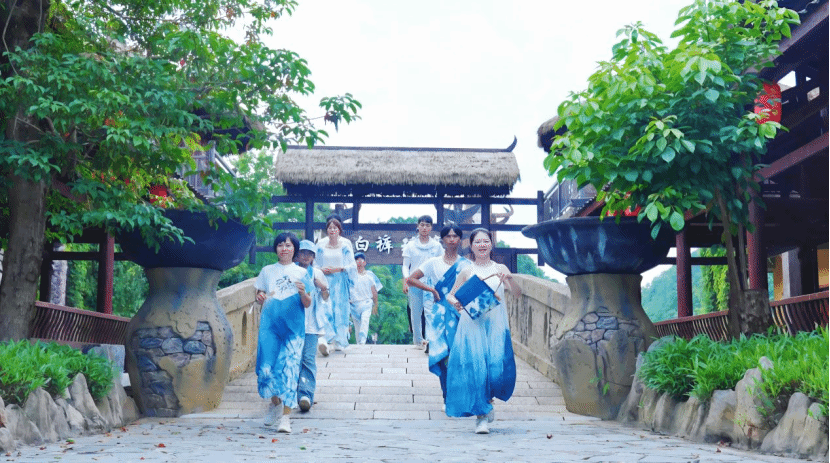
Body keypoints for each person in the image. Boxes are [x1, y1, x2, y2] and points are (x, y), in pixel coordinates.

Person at [446, 228, 521, 434]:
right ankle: (482, 416)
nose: (482, 245)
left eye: (485, 241)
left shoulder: (500, 268)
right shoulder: (466, 270)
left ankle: (489, 402)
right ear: (471, 246)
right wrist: (455, 303)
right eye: (477, 242)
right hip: (472, 325)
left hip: (496, 326)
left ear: (491, 244)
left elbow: (517, 293)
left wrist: (510, 278)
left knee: (496, 369)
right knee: (478, 370)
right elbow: (451, 295)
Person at [254, 232, 313, 433]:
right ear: (276, 248)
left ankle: (286, 418)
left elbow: (308, 303)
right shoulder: (267, 271)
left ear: (294, 249)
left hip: (293, 330)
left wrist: (303, 292)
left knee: (290, 369)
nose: (284, 248)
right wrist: (260, 296)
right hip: (269, 327)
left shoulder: (302, 273)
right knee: (266, 370)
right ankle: (275, 403)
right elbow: (259, 293)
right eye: (280, 245)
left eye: (288, 245)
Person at [405, 223, 469, 403]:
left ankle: (458, 392)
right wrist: (431, 290)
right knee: (443, 355)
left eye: (455, 236)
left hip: (461, 314)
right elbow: (411, 279)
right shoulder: (433, 262)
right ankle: (447, 395)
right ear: (442, 240)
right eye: (448, 236)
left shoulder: (466, 265)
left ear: (460, 240)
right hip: (440, 315)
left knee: (459, 355)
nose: (452, 239)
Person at [294, 239, 329, 412]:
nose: (306, 256)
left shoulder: (317, 273)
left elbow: (326, 297)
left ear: (313, 257)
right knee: (293, 359)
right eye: (302, 253)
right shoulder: (290, 272)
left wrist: (322, 287)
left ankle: (305, 395)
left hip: (312, 324)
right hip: (292, 323)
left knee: (308, 359)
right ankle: (291, 393)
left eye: (309, 254)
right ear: (296, 255)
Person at [315, 214, 356, 353]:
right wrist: (322, 270)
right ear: (326, 229)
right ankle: (325, 340)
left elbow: (352, 265)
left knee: (339, 310)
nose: (332, 230)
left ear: (339, 229)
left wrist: (339, 269)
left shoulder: (345, 245)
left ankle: (339, 340)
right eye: (330, 227)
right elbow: (315, 263)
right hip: (325, 280)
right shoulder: (321, 244)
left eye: (335, 227)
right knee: (325, 309)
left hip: (340, 282)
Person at [401, 215, 443, 350]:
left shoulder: (437, 246)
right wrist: (407, 279)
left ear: (431, 228)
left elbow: (440, 264)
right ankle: (418, 341)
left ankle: (430, 341)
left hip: (430, 283)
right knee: (415, 312)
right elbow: (405, 265)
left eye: (428, 225)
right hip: (414, 282)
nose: (424, 228)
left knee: (430, 312)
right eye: (422, 225)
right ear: (418, 226)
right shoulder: (410, 245)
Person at [349, 252, 382, 345]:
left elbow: (374, 291)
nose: (359, 262)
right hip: (354, 304)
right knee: (357, 326)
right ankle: (359, 345)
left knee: (365, 321)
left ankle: (363, 341)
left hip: (367, 303)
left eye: (361, 260)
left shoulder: (370, 275)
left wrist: (376, 305)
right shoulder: (350, 276)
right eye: (356, 260)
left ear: (365, 262)